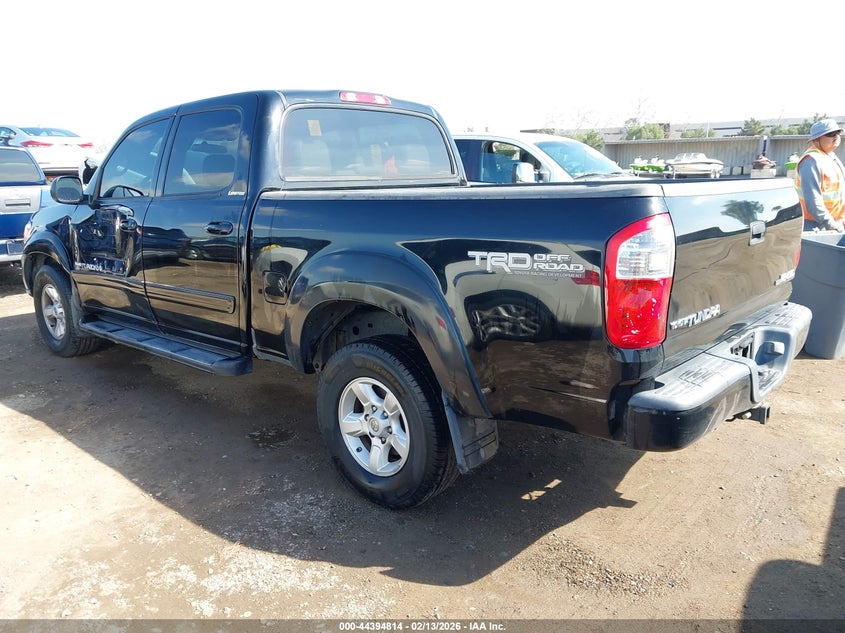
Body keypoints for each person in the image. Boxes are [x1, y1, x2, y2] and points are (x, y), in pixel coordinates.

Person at [794, 118, 845, 232]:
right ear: (816, 140)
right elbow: (813, 202)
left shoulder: (831, 157)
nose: (836, 136)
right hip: (817, 226)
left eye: (837, 133)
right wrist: (830, 224)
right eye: (830, 134)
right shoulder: (811, 161)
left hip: (835, 224)